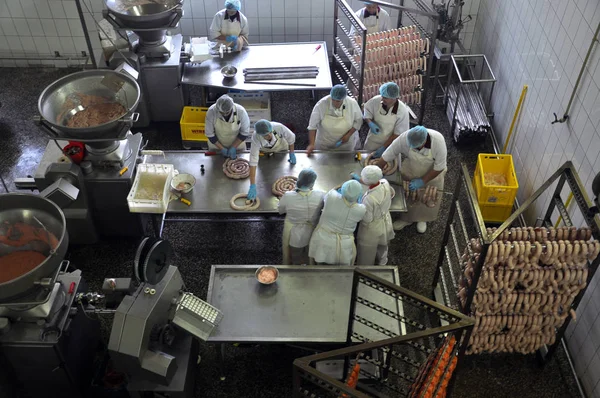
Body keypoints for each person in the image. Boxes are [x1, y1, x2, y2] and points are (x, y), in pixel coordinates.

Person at [377, 125, 447, 234]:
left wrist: (422, 181)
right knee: (411, 196)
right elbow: (388, 154)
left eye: (417, 147)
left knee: (427, 197)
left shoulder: (438, 141)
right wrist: (376, 171)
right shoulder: (404, 138)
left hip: (432, 174)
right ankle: (407, 219)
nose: (414, 149)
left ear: (424, 142)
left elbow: (439, 167)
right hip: (413, 169)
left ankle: (423, 219)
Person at [308, 180, 366, 265]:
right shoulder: (361, 209)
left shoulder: (332, 197)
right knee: (341, 273)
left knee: (320, 269)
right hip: (344, 245)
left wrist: (340, 185)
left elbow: (332, 190)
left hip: (323, 241)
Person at [278, 169, 326, 265]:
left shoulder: (288, 196)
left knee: (296, 257)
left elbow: (280, 211)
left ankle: (296, 272)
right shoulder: (321, 195)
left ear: (299, 180)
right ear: (312, 183)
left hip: (295, 236)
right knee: (310, 257)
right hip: (313, 234)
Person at [351, 165, 395, 265]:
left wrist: (359, 207)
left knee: (366, 250)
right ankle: (382, 261)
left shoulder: (369, 199)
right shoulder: (384, 182)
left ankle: (365, 267)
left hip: (372, 228)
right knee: (383, 244)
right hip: (385, 219)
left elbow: (367, 219)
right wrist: (359, 179)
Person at [306, 85, 363, 155]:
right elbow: (312, 126)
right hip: (325, 143)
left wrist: (348, 135)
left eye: (338, 101)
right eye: (333, 100)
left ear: (343, 99)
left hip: (345, 144)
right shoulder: (321, 104)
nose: (335, 103)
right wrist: (312, 144)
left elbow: (358, 121)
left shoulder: (352, 104)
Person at [247, 120, 296, 200]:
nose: (269, 136)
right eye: (265, 135)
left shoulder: (279, 127)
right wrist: (252, 185)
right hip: (265, 152)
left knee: (282, 171)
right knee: (267, 174)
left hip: (281, 149)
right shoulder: (256, 137)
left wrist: (292, 153)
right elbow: (253, 160)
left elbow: (291, 138)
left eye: (269, 133)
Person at [363, 82, 409, 156]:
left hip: (390, 144)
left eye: (385, 98)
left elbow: (398, 134)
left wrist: (384, 147)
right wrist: (370, 123)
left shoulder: (402, 111)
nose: (382, 99)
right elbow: (367, 110)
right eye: (382, 96)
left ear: (394, 98)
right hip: (373, 140)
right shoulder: (376, 100)